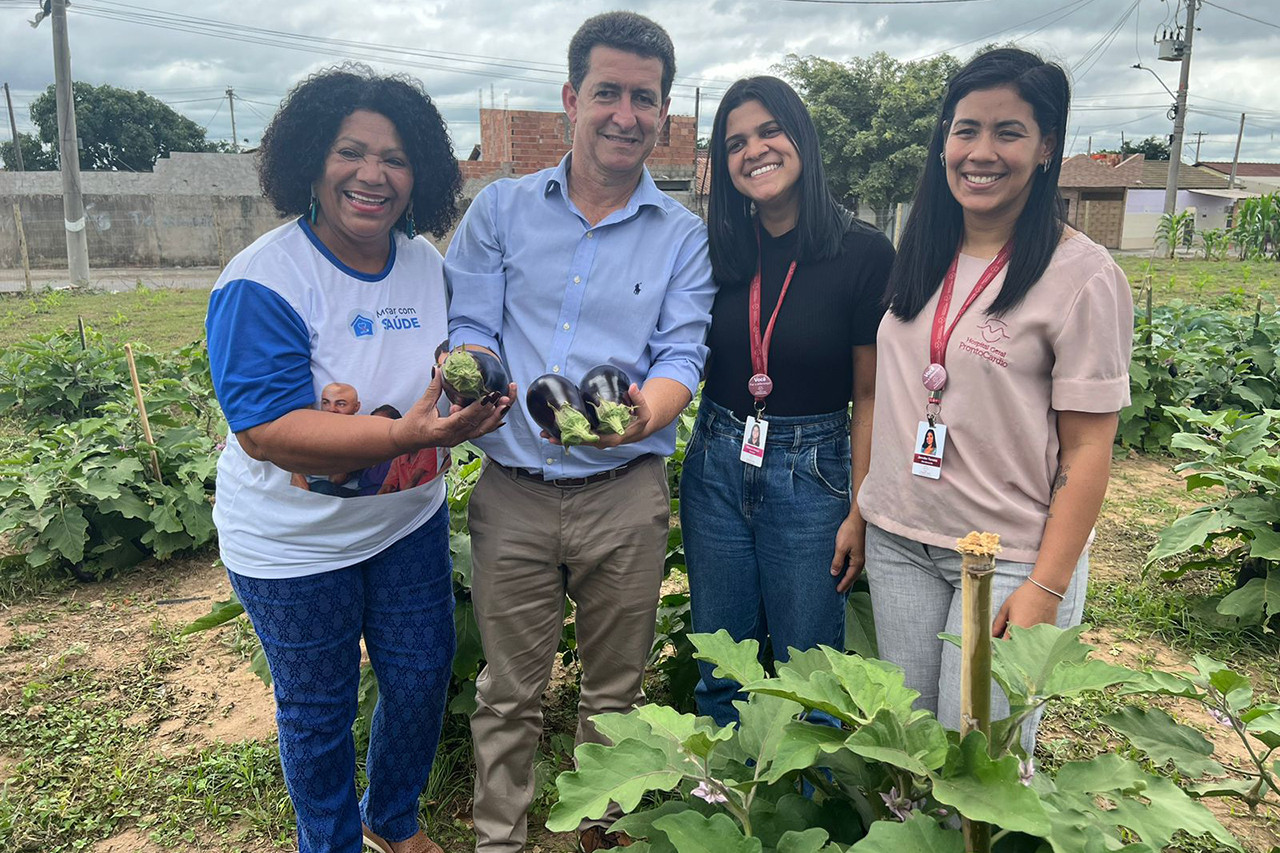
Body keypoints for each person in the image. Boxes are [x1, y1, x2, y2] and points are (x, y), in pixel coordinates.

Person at [204, 65, 511, 853]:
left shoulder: (425, 266)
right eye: (351, 151)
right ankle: (331, 841)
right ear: (312, 161)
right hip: (293, 545)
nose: (373, 174)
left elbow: (452, 367)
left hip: (406, 523)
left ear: (423, 178)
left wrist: (473, 404)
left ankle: (392, 819)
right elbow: (266, 429)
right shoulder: (265, 279)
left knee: (417, 679)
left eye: (397, 157)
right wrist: (407, 437)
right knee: (318, 706)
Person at [444, 12, 714, 852]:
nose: (625, 114)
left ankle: (602, 832)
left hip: (623, 495)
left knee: (615, 692)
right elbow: (468, 322)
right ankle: (502, 839)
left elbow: (681, 351)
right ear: (572, 98)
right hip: (514, 494)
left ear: (663, 115)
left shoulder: (682, 235)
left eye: (644, 99)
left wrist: (645, 413)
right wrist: (473, 372)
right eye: (608, 93)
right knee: (508, 690)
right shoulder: (500, 209)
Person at [857, 48, 1133, 754]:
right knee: (915, 758)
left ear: (1046, 147)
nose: (981, 152)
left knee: (981, 768)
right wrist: (864, 511)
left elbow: (1089, 449)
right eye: (965, 130)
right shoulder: (921, 249)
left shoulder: (1083, 276)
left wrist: (1047, 583)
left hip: (1003, 556)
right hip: (900, 540)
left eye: (1008, 132)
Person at [679, 75, 894, 727]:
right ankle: (722, 808)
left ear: (801, 137)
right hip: (716, 460)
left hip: (814, 470)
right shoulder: (715, 250)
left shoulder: (863, 253)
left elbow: (870, 393)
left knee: (811, 675)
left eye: (770, 130)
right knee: (721, 665)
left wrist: (859, 506)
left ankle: (804, 814)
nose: (755, 150)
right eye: (736, 141)